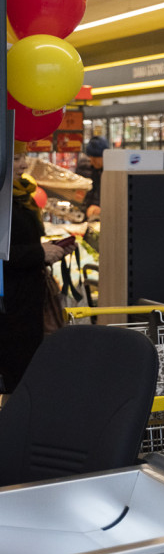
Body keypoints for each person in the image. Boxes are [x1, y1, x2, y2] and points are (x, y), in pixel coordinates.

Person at [0, 154, 74, 393]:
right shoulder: (5, 199)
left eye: (23, 157)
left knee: (26, 373)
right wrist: (38, 253)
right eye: (15, 158)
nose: (23, 164)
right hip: (9, 307)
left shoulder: (20, 196)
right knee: (15, 375)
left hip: (27, 302)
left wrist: (53, 249)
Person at [82, 135, 108, 219]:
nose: (92, 162)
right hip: (84, 216)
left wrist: (101, 208)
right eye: (90, 158)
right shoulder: (83, 167)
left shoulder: (112, 172)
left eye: (95, 159)